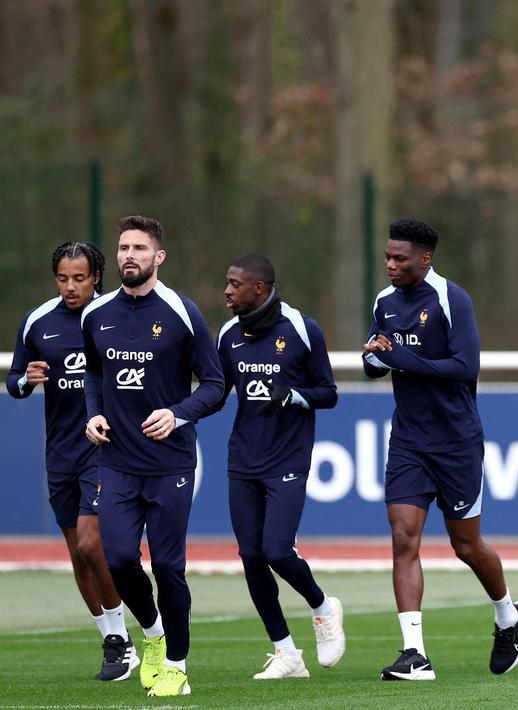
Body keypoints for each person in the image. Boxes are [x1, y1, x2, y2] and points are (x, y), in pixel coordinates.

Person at [363, 218, 518, 681]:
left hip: (456, 441)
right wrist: (374, 357)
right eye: (388, 257)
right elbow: (379, 360)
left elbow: (464, 366)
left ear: (425, 259)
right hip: (409, 439)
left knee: (466, 545)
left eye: (401, 258)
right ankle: (414, 653)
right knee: (403, 538)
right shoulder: (384, 301)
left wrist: (398, 357)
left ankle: (507, 615)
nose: (391, 265)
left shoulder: (452, 299)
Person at [81, 216, 225, 697]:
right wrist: (94, 414)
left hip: (171, 464)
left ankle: (178, 666)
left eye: (140, 248)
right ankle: (154, 636)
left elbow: (215, 384)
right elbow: (94, 376)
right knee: (119, 559)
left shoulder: (182, 312)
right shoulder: (96, 314)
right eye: (123, 247)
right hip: (117, 462)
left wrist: (178, 414)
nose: (129, 255)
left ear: (158, 257)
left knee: (167, 566)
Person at [6, 242, 137, 681]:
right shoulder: (38, 321)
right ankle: (112, 639)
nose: (70, 287)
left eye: (79, 278)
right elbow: (14, 380)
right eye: (63, 278)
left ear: (96, 277)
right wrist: (27, 379)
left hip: (104, 448)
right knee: (77, 555)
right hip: (59, 450)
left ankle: (122, 636)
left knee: (89, 542)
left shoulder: (115, 317)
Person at [213, 254, 345, 679]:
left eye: (235, 284)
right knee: (251, 556)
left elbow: (328, 392)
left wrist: (292, 396)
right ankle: (287, 653)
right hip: (242, 459)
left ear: (260, 287)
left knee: (276, 550)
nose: (227, 291)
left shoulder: (303, 329)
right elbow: (218, 392)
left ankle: (323, 607)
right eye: (227, 283)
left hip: (287, 458)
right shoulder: (229, 334)